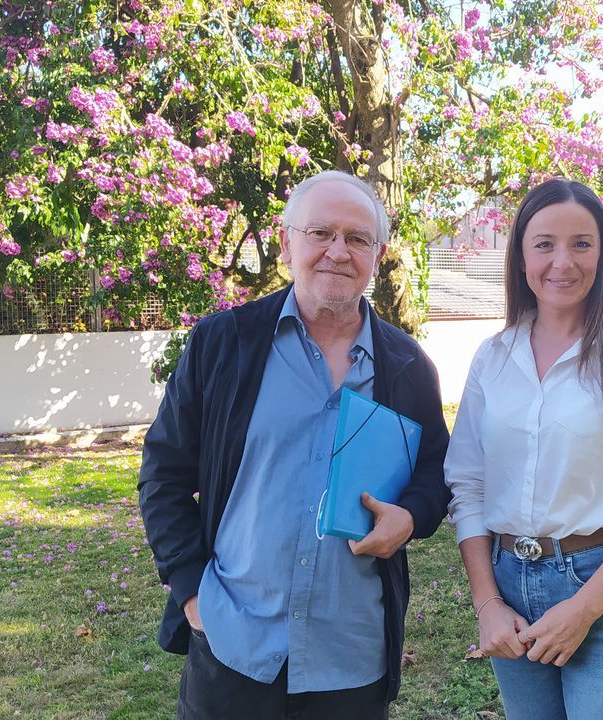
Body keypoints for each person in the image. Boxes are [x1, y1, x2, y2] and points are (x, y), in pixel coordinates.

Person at [138, 170, 451, 720]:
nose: (338, 251)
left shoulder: (407, 366)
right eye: (320, 233)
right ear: (287, 243)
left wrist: (411, 518)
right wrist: (192, 595)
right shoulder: (222, 344)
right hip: (234, 646)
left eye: (357, 238)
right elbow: (163, 473)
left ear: (376, 255)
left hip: (351, 657)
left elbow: (433, 475)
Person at [444, 178, 603, 719]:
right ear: (520, 257)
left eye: (582, 243)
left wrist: (583, 609)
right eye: (544, 244)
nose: (563, 261)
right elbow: (468, 485)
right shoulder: (492, 357)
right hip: (509, 588)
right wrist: (487, 603)